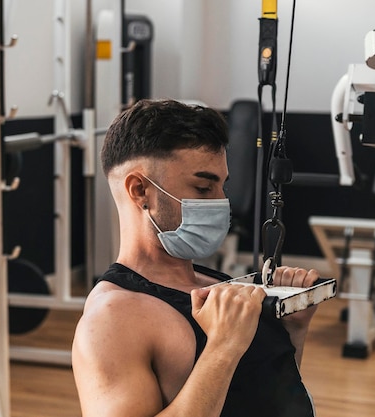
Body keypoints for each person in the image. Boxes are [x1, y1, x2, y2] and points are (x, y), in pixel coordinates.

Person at [72, 99, 320, 417]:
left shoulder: (218, 285)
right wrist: (222, 348)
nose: (221, 203)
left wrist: (293, 329)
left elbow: (270, 396)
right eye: (203, 188)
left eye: (221, 187)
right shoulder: (111, 319)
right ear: (139, 190)